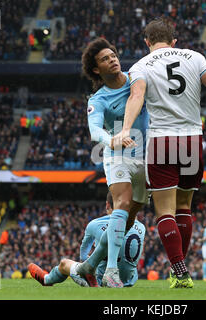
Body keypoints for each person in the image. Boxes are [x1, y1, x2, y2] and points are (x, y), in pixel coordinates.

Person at [114, 17, 206, 288]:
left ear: (147, 42)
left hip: (162, 141)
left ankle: (179, 270)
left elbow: (136, 97)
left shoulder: (139, 66)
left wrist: (125, 129)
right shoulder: (194, 57)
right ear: (174, 41)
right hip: (192, 141)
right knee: (184, 206)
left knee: (164, 211)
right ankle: (180, 270)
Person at [75, 38, 149, 288]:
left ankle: (88, 265)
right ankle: (111, 271)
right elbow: (95, 132)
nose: (113, 59)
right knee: (123, 203)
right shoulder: (99, 99)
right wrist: (112, 139)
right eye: (105, 58)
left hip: (146, 156)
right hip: (117, 154)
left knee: (131, 216)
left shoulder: (137, 78)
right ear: (96, 69)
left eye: (114, 55)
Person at [28, 192, 145, 287]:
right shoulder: (141, 227)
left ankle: (46, 279)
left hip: (101, 279)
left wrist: (89, 261)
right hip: (128, 281)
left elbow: (83, 254)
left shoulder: (95, 224)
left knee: (64, 263)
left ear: (107, 205)